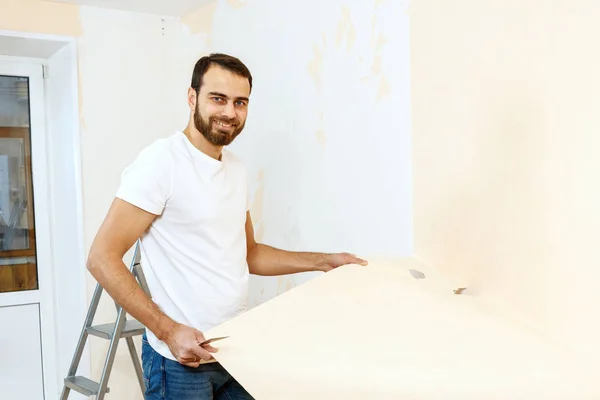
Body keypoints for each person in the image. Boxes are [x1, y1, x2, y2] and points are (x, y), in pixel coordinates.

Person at [86, 53, 368, 400]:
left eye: (240, 102)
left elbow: (249, 254)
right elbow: (101, 257)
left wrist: (326, 262)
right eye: (218, 99)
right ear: (192, 98)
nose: (230, 112)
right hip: (180, 361)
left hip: (236, 349)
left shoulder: (235, 168)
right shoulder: (161, 162)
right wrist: (168, 330)